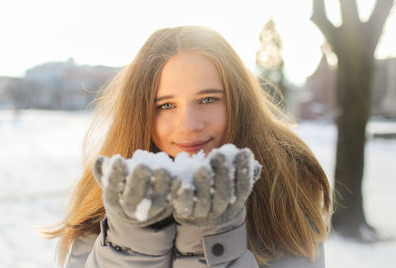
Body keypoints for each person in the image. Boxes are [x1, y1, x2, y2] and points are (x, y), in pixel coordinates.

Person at [42, 25, 331, 267]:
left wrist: (210, 239)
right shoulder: (108, 201)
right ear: (140, 113)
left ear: (238, 101)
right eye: (166, 105)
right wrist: (134, 243)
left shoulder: (284, 189)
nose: (189, 124)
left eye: (208, 99)